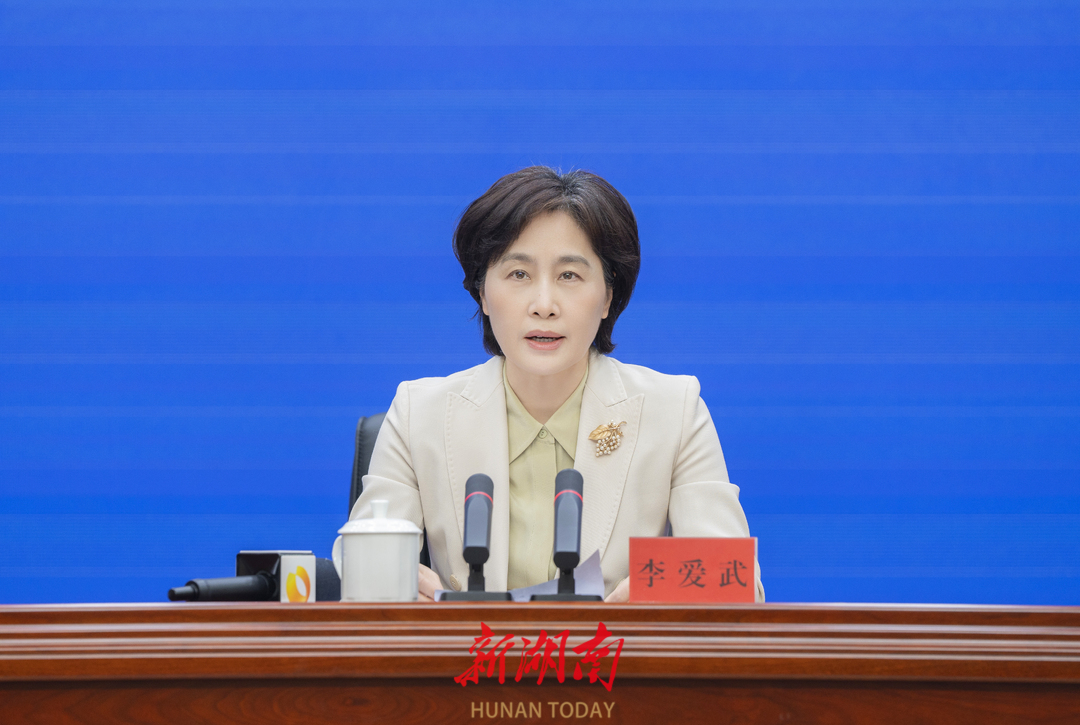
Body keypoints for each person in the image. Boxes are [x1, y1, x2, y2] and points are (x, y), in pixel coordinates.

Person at [351, 166, 763, 602]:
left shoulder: (673, 410)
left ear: (607, 297)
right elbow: (360, 568)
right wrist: (405, 591)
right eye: (519, 274)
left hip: (610, 646)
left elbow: (736, 582)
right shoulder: (420, 414)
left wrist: (653, 590)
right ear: (483, 293)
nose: (544, 305)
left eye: (569, 275)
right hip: (468, 647)